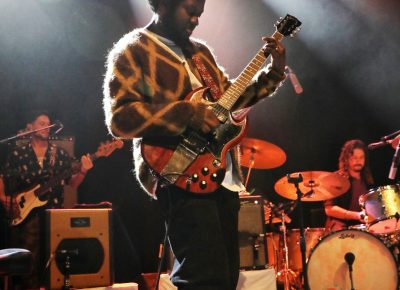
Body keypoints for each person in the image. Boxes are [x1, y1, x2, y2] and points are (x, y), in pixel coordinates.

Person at [103, 0, 286, 288]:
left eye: (200, 13)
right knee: (202, 278)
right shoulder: (133, 50)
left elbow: (231, 100)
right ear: (162, 4)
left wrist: (274, 73)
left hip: (222, 176)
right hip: (178, 172)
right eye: (189, 10)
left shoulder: (201, 53)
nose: (196, 19)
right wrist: (188, 113)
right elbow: (120, 119)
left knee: (226, 278)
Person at [0, 110, 93, 289]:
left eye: (48, 124)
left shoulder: (59, 154)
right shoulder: (18, 153)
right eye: (41, 123)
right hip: (27, 215)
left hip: (53, 212)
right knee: (31, 258)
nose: (46, 127)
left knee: (54, 254)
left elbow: (72, 184)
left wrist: (83, 170)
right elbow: (3, 176)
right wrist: (2, 196)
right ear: (31, 127)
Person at [324, 139, 374, 232]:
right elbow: (329, 209)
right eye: (354, 157)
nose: (358, 161)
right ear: (346, 159)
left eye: (361, 157)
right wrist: (356, 215)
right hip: (341, 225)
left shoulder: (367, 180)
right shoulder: (337, 179)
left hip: (361, 224)